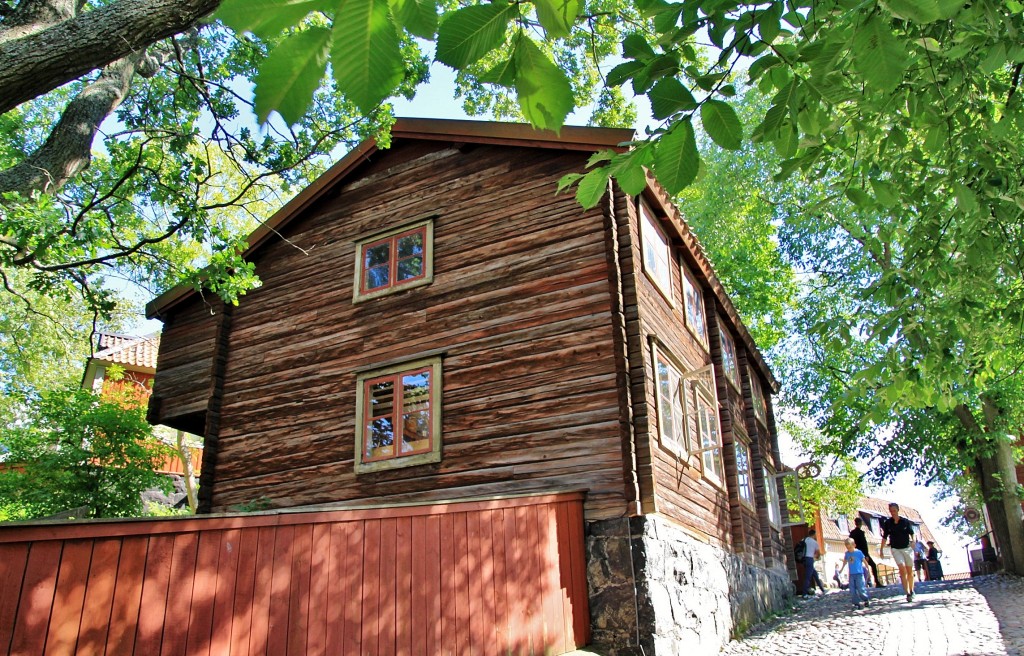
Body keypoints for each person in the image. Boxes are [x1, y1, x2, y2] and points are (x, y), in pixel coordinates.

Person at [880, 502, 917, 601]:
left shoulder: (905, 522)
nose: (893, 513)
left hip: (907, 548)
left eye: (894, 511)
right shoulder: (888, 523)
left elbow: (912, 533)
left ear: (897, 510)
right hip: (896, 549)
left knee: (909, 571)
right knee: (902, 568)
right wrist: (881, 550)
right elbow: (884, 537)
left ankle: (912, 589)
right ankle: (908, 593)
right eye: (891, 511)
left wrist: (913, 541)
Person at [849, 517, 883, 588]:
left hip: (854, 553)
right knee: (873, 565)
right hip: (862, 553)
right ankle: (877, 582)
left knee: (856, 568)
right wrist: (866, 555)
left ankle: (856, 585)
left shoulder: (852, 534)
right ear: (860, 524)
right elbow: (864, 545)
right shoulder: (861, 533)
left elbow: (850, 543)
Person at [838, 537, 870, 609]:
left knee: (860, 588)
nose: (849, 549)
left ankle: (865, 599)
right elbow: (845, 562)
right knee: (852, 590)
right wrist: (841, 569)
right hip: (851, 574)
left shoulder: (858, 553)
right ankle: (856, 603)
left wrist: (868, 570)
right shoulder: (847, 554)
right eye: (847, 548)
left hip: (859, 574)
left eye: (850, 547)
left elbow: (864, 561)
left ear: (854, 545)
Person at [801, 528, 827, 596]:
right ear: (814, 534)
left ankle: (822, 589)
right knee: (808, 577)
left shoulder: (804, 540)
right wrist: (815, 557)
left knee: (815, 574)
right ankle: (804, 593)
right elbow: (818, 553)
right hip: (810, 559)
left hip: (803, 559)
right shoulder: (814, 542)